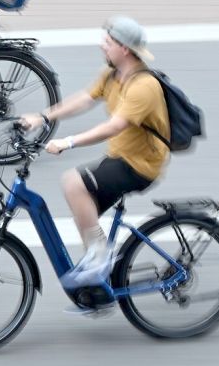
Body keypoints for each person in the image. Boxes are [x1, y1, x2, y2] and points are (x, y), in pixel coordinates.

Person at [21, 16, 169, 291]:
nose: (102, 45)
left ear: (124, 48)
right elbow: (85, 99)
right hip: (120, 157)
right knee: (84, 213)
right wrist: (43, 117)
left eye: (108, 41)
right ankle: (100, 285)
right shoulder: (112, 74)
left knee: (73, 182)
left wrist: (69, 142)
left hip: (140, 165)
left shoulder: (143, 86)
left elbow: (115, 126)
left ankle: (101, 258)